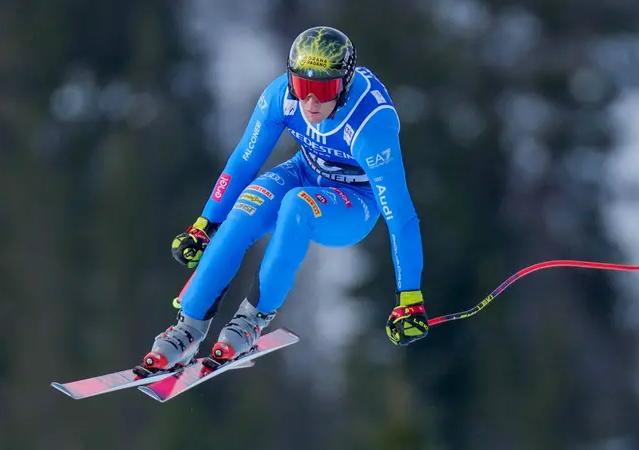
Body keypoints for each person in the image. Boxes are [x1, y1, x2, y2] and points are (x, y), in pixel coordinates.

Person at [142, 25, 429, 371]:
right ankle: (187, 327)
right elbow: (243, 162)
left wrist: (409, 298)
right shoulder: (280, 96)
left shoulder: (371, 124)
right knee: (245, 209)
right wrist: (205, 224)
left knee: (296, 204)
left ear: (345, 84)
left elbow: (401, 215)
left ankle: (251, 320)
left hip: (354, 201)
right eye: (303, 86)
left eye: (323, 90)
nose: (310, 101)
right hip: (303, 171)